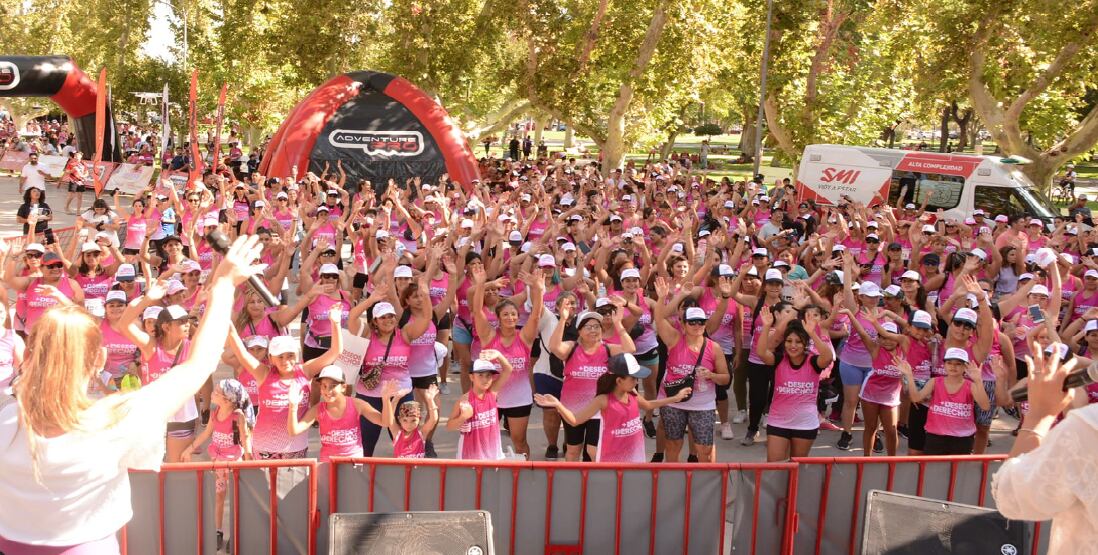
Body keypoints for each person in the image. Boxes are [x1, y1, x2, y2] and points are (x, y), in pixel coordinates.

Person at [0, 234, 262, 552]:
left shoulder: (7, 421)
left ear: (26, 356)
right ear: (98, 360)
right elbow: (199, 365)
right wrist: (223, 287)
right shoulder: (113, 421)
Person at [992, 343, 1098, 552]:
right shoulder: (1030, 381)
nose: (1050, 362)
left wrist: (1040, 414)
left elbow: (1011, 497)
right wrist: (1001, 379)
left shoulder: (1087, 423)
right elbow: (1004, 400)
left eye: (1056, 359)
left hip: (1048, 455)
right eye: (1047, 356)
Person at [535, 352, 692, 462]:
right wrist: (557, 404)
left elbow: (649, 405)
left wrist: (675, 398)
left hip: (636, 459)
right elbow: (575, 420)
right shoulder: (603, 400)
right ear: (618, 381)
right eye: (634, 378)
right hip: (611, 463)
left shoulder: (632, 392)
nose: (637, 382)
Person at [180, 378, 254, 552]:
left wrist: (250, 463)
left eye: (216, 392)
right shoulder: (215, 412)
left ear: (227, 400)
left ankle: (237, 534)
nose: (211, 393)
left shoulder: (238, 417)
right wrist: (189, 449)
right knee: (219, 496)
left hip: (234, 463)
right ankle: (218, 532)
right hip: (218, 463)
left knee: (237, 499)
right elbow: (206, 434)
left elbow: (246, 440)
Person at [897, 348, 990, 455]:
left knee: (958, 470)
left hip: (962, 439)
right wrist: (909, 375)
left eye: (958, 364)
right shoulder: (935, 382)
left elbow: (985, 406)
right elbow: (916, 398)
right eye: (949, 363)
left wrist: (978, 381)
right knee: (934, 470)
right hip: (936, 437)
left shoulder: (970, 386)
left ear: (965, 366)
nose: (953, 366)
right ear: (944, 365)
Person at [446, 350, 513, 460]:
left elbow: (508, 369)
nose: (485, 379)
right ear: (472, 377)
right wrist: (462, 417)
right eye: (480, 375)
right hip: (471, 455)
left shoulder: (492, 392)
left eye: (488, 375)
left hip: (494, 453)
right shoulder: (464, 400)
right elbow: (449, 426)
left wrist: (498, 355)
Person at [384, 382, 441, 459]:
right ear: (399, 420)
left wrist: (430, 400)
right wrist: (395, 399)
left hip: (418, 471)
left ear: (419, 419)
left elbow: (433, 419)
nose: (409, 424)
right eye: (405, 420)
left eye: (413, 420)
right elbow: (389, 418)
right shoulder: (397, 433)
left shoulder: (421, 434)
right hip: (400, 471)